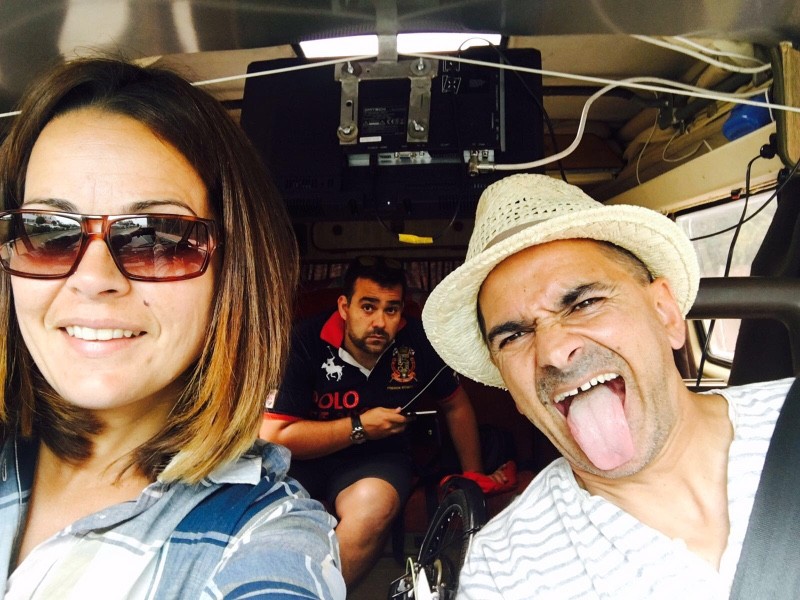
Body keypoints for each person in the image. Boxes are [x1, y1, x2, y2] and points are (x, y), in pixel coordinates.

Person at [0, 57, 345, 598]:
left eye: (157, 238)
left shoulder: (265, 541)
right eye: (49, 232)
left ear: (233, 271)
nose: (93, 279)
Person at [421, 173, 795, 599]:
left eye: (584, 303)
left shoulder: (791, 418)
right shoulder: (503, 570)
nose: (554, 352)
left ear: (665, 313)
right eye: (515, 336)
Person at [260, 256, 507, 587]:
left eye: (391, 310)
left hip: (378, 459)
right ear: (344, 307)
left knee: (372, 508)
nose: (379, 322)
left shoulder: (417, 340)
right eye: (368, 307)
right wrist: (360, 426)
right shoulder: (303, 341)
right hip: (304, 459)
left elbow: (455, 405)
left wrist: (474, 475)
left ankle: (313, 593)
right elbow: (275, 435)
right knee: (265, 515)